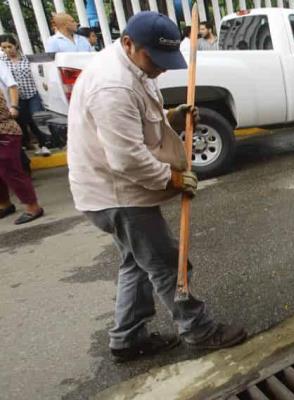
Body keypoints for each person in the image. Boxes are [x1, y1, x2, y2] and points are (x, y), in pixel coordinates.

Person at [67, 11, 246, 362]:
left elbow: (137, 122)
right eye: (155, 60)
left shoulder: (134, 65)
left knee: (137, 262)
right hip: (117, 194)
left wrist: (171, 118)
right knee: (166, 264)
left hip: (111, 189)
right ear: (129, 43)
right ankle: (199, 330)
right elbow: (127, 158)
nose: (161, 69)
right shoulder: (112, 85)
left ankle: (126, 339)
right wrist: (172, 178)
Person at [0, 62, 45, 225]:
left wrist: (13, 106)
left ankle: (33, 207)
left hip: (4, 130)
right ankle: (5, 204)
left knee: (11, 171)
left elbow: (12, 87)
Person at [1, 34, 52, 156]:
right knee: (23, 121)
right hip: (17, 97)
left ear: (16, 45)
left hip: (32, 93)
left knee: (37, 118)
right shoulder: (2, 62)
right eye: (4, 48)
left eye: (10, 46)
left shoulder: (27, 59)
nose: (8, 50)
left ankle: (44, 144)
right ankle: (28, 144)